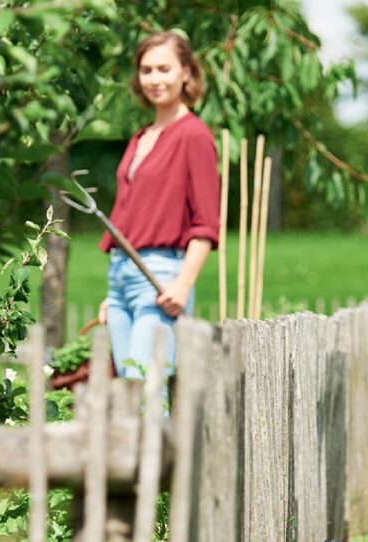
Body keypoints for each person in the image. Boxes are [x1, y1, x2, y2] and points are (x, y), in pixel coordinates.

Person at [97, 31, 220, 378]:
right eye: (146, 70)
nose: (154, 79)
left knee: (147, 392)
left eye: (164, 69)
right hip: (122, 276)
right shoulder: (140, 138)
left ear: (186, 72)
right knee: (129, 395)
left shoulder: (194, 135)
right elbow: (128, 216)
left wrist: (183, 284)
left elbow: (206, 223)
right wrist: (114, 291)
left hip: (160, 277)